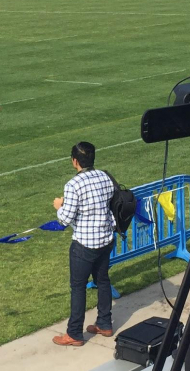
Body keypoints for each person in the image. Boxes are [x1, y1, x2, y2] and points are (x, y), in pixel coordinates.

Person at [51, 141, 115, 347]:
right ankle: (104, 323)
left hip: (85, 244)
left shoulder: (73, 185)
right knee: (103, 280)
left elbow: (65, 219)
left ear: (74, 161)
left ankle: (74, 333)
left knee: (78, 287)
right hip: (105, 239)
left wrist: (59, 206)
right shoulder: (104, 176)